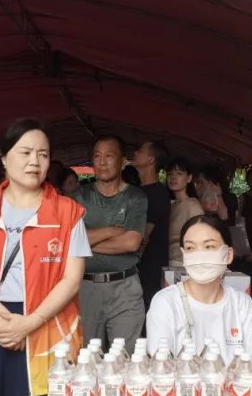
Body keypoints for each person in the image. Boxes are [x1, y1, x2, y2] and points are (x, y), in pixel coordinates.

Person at [0, 120, 89, 396]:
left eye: (43, 154)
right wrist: (3, 318)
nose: (35, 162)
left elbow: (72, 279)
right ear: (4, 158)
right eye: (25, 153)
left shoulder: (68, 212)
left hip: (48, 319)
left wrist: (30, 323)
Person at [146, 214, 252, 396]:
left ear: (228, 254)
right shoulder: (165, 302)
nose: (199, 255)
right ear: (184, 256)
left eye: (209, 246)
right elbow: (159, 378)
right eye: (191, 248)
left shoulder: (242, 304)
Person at [74, 135, 148, 346]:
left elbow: (131, 243)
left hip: (125, 288)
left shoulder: (135, 197)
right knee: (86, 356)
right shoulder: (79, 197)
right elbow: (69, 240)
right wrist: (111, 230)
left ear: (123, 162)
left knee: (125, 356)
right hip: (85, 287)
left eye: (109, 156)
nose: (102, 162)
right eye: (97, 156)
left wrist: (86, 241)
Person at [131, 140, 172, 307]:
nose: (135, 153)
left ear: (151, 159)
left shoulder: (158, 193)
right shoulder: (137, 191)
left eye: (140, 150)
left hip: (149, 267)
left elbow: (144, 235)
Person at [167, 157, 204, 269]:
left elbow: (201, 238)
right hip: (171, 264)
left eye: (179, 173)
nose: (173, 177)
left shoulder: (193, 206)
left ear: (189, 178)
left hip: (186, 265)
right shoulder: (172, 205)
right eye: (170, 174)